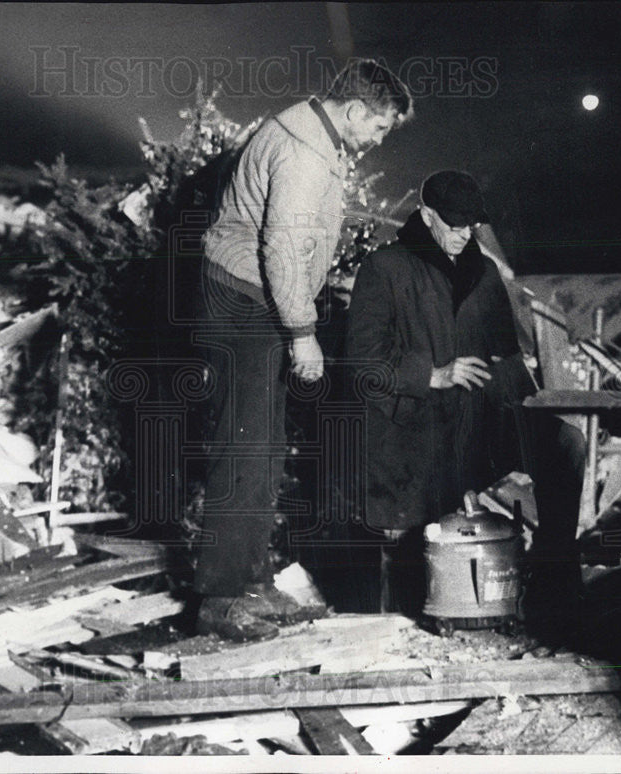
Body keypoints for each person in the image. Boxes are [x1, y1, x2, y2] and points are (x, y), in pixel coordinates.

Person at [192, 60, 413, 640]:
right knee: (243, 448)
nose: (380, 139)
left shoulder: (313, 137)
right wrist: (302, 331)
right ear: (357, 111)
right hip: (246, 302)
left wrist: (320, 285)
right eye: (382, 127)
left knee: (262, 448)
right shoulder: (304, 152)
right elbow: (283, 248)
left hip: (254, 295)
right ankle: (221, 598)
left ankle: (249, 582)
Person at [345, 170, 580, 617]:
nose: (463, 235)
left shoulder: (484, 271)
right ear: (426, 215)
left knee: (564, 443)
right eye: (454, 225)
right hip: (412, 430)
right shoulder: (386, 268)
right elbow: (362, 361)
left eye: (471, 226)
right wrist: (432, 375)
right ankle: (405, 622)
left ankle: (553, 579)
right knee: (415, 569)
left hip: (475, 426)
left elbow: (506, 356)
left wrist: (532, 412)